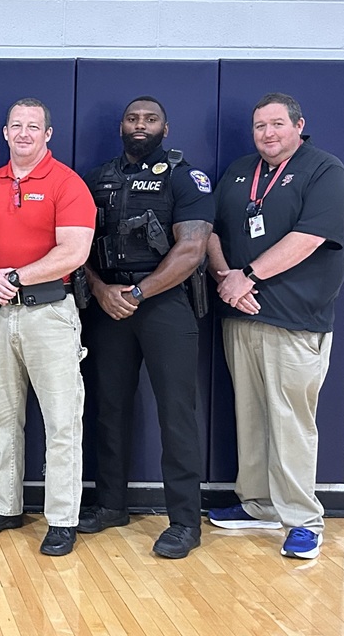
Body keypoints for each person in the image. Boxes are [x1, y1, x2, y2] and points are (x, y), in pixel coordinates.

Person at [206, 93, 344, 560]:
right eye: (259, 127)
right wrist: (226, 278)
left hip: (295, 320)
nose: (267, 134)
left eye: (276, 124)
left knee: (290, 420)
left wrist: (246, 277)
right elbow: (211, 231)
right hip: (241, 312)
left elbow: (309, 238)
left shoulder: (324, 170)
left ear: (298, 125)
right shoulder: (237, 171)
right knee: (249, 416)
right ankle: (257, 503)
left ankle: (303, 518)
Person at [78, 96, 212, 559]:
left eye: (150, 119)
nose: (140, 125)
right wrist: (100, 290)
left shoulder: (183, 176)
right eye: (133, 119)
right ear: (121, 126)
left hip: (163, 306)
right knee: (108, 408)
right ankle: (111, 504)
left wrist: (138, 293)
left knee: (177, 413)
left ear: (165, 127)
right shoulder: (99, 178)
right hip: (108, 305)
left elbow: (192, 248)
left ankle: (184, 522)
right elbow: (79, 246)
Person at [0, 98, 95, 556]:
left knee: (61, 421)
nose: (24, 133)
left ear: (48, 134)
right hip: (0, 315)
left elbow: (74, 252)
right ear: (5, 133)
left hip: (50, 314)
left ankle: (62, 518)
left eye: (33, 126)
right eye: (16, 125)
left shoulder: (68, 184)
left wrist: (17, 276)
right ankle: (5, 505)